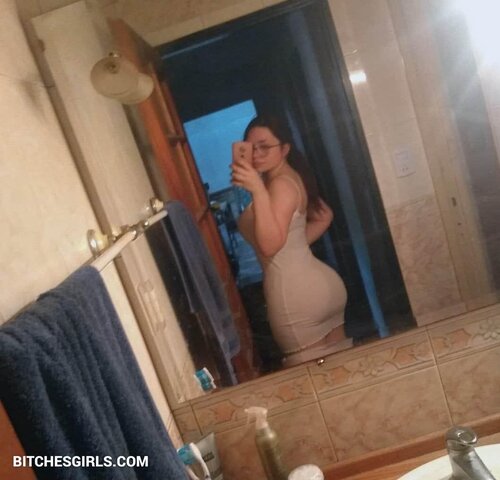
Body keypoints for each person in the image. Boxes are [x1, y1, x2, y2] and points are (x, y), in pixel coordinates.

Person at [231, 115, 352, 367]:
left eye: (265, 147)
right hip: (321, 286)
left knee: (312, 384)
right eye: (251, 147)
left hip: (294, 297)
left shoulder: (280, 186)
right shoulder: (291, 178)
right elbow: (324, 215)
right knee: (344, 374)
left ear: (284, 149)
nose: (257, 154)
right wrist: (294, 249)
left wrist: (257, 190)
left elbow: (269, 246)